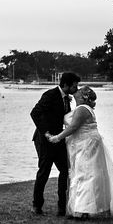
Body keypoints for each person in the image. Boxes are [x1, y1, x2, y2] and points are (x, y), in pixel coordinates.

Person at [47, 86, 113, 218]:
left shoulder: (82, 109)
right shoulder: (82, 108)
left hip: (87, 144)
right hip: (84, 143)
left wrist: (57, 137)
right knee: (85, 174)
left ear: (82, 96)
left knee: (85, 175)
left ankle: (84, 210)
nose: (75, 92)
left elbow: (73, 127)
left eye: (78, 91)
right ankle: (82, 208)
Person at [30, 71, 79, 215]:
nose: (76, 88)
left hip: (59, 139)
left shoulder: (67, 99)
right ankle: (37, 205)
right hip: (44, 140)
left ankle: (62, 207)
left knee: (65, 170)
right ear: (66, 85)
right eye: (74, 86)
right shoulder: (50, 95)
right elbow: (35, 113)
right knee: (44, 171)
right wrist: (46, 133)